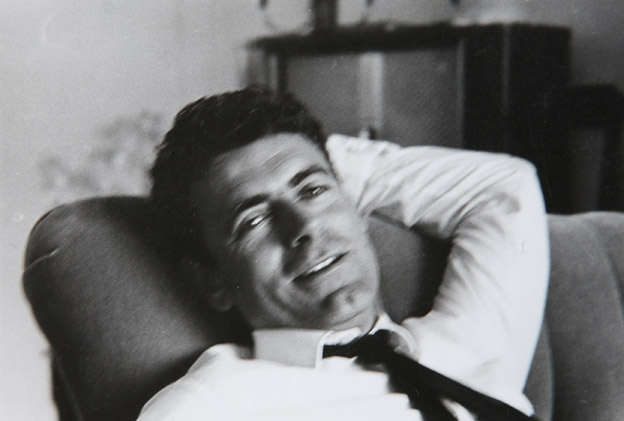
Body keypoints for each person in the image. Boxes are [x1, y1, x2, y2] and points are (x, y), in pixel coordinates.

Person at [140, 86, 549, 420]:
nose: (305, 226)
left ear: (355, 207)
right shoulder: (209, 406)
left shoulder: (468, 343)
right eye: (253, 220)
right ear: (212, 281)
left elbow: (506, 188)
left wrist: (326, 158)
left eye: (313, 191)